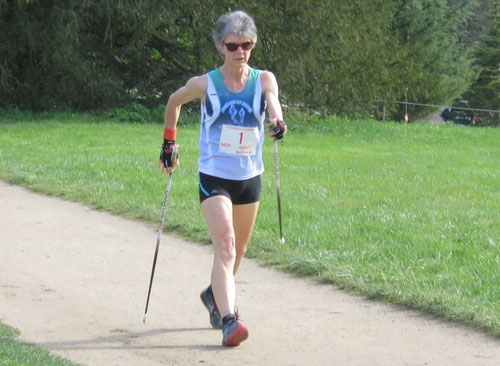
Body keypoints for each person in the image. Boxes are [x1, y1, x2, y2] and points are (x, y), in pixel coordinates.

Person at [159, 10, 287, 347]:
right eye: (233, 45)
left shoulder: (263, 80)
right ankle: (230, 320)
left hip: (249, 177)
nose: (240, 51)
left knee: (238, 251)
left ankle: (214, 295)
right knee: (226, 245)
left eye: (247, 44)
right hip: (214, 176)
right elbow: (174, 102)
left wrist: (277, 121)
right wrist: (169, 144)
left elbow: (273, 103)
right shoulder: (206, 84)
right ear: (221, 46)